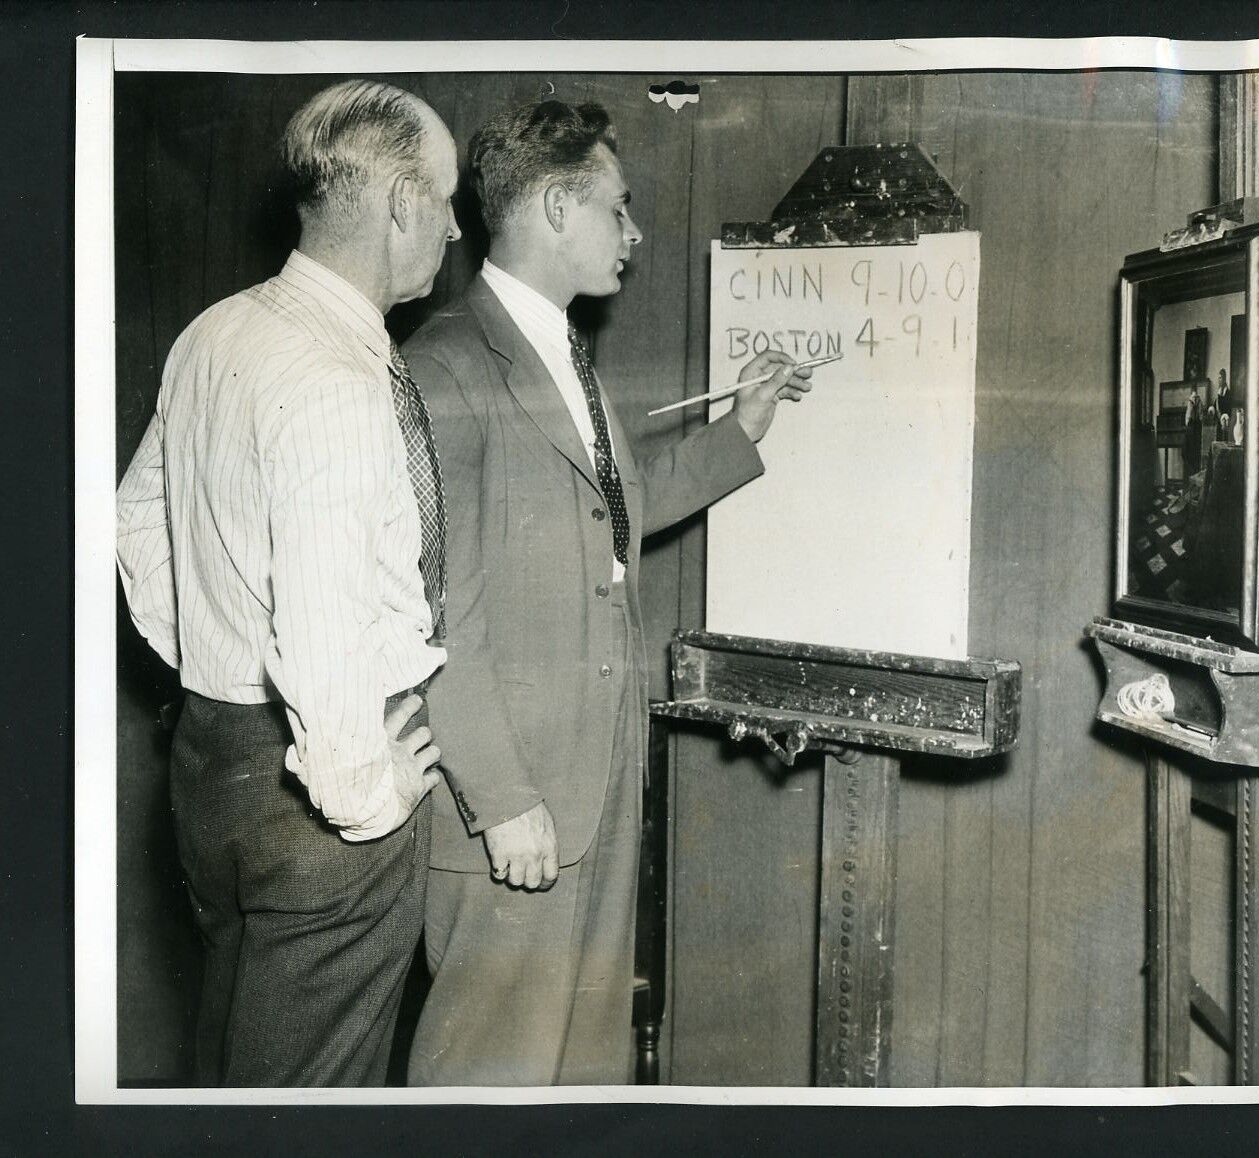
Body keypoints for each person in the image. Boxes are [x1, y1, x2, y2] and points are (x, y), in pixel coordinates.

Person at [403, 99, 811, 1086]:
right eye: (616, 210)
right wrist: (500, 800)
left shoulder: (559, 351)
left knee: (578, 1078)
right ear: (553, 208)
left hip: (591, 784)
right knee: (486, 1079)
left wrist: (743, 427)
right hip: (512, 804)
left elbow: (609, 513)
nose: (632, 235)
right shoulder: (446, 363)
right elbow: (433, 612)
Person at [115, 80, 462, 1086]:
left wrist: (221, 678)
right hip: (323, 788)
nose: (449, 229)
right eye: (441, 202)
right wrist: (364, 789)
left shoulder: (216, 331)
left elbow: (136, 521)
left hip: (214, 766)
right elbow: (319, 622)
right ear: (400, 204)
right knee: (309, 1108)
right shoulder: (336, 381)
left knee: (238, 1070)